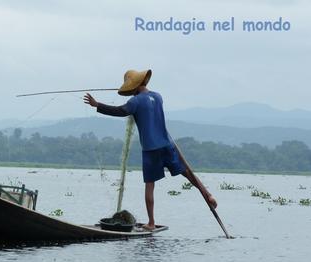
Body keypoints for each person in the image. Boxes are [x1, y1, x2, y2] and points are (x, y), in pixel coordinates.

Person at [83, 69, 217, 230]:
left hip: (151, 149)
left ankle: (151, 222)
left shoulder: (136, 102)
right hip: (167, 144)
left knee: (149, 185)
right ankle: (207, 195)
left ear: (135, 86)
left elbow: (120, 111)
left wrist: (97, 105)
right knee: (186, 172)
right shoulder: (158, 96)